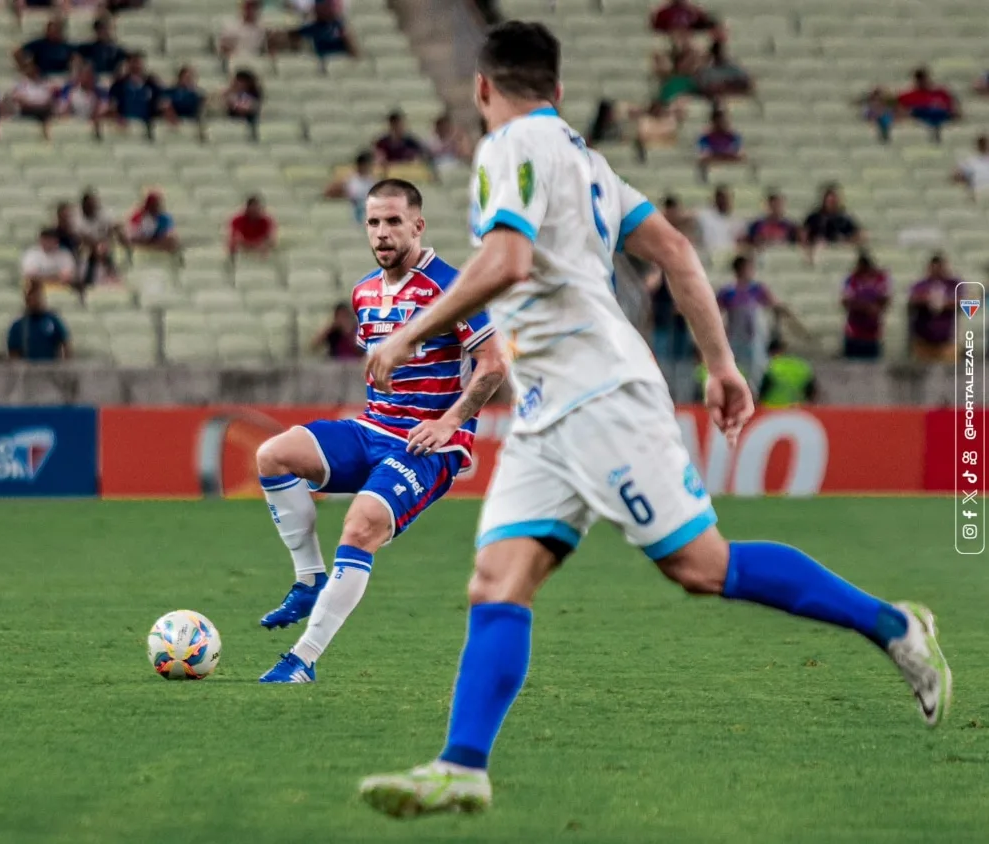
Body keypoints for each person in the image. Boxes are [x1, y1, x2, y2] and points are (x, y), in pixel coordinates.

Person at [357, 21, 948, 818]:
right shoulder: (586, 161)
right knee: (498, 581)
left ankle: (894, 625)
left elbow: (508, 262)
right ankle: (463, 765)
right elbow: (673, 248)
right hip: (544, 412)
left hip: (599, 394)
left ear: (482, 89)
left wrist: (407, 331)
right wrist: (723, 364)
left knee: (701, 566)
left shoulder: (509, 149)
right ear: (560, 91)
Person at [255, 179, 506, 684]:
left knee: (361, 523)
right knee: (272, 455)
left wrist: (450, 421)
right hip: (373, 428)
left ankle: (301, 660)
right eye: (373, 222)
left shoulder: (453, 289)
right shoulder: (364, 292)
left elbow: (495, 363)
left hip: (427, 444)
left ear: (418, 225)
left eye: (394, 221)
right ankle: (308, 580)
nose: (382, 232)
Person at [908, 253, 960, 363]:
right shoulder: (921, 284)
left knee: (950, 375)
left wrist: (942, 302)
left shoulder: (953, 284)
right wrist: (930, 301)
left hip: (947, 341)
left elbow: (962, 301)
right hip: (923, 341)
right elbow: (914, 299)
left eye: (940, 267)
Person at [841, 252, 890, 360]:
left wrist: (876, 307)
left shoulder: (879, 279)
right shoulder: (852, 279)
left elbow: (886, 299)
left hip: (873, 333)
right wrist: (867, 307)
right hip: (854, 332)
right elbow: (845, 301)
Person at [8, 283, 70, 361]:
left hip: (51, 368)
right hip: (27, 370)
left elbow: (66, 343)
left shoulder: (53, 321)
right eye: (33, 298)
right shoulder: (19, 326)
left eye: (38, 297)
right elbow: (13, 353)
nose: (36, 301)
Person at [757, 337, 817, 408]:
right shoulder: (802, 366)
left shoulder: (773, 366)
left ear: (774, 352)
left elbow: (764, 390)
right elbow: (811, 391)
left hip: (773, 410)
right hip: (797, 410)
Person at [803, 184, 862, 251]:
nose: (830, 202)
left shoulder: (845, 218)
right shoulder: (814, 218)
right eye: (828, 198)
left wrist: (846, 241)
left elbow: (858, 234)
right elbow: (804, 235)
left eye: (833, 199)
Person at [323, 150, 376, 222]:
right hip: (352, 212)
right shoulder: (350, 180)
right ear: (362, 165)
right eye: (369, 164)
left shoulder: (373, 181)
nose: (370, 167)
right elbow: (327, 192)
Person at [951, 133, 989, 199]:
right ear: (978, 146)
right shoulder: (971, 162)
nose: (984, 146)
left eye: (986, 144)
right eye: (982, 144)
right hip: (978, 195)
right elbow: (956, 176)